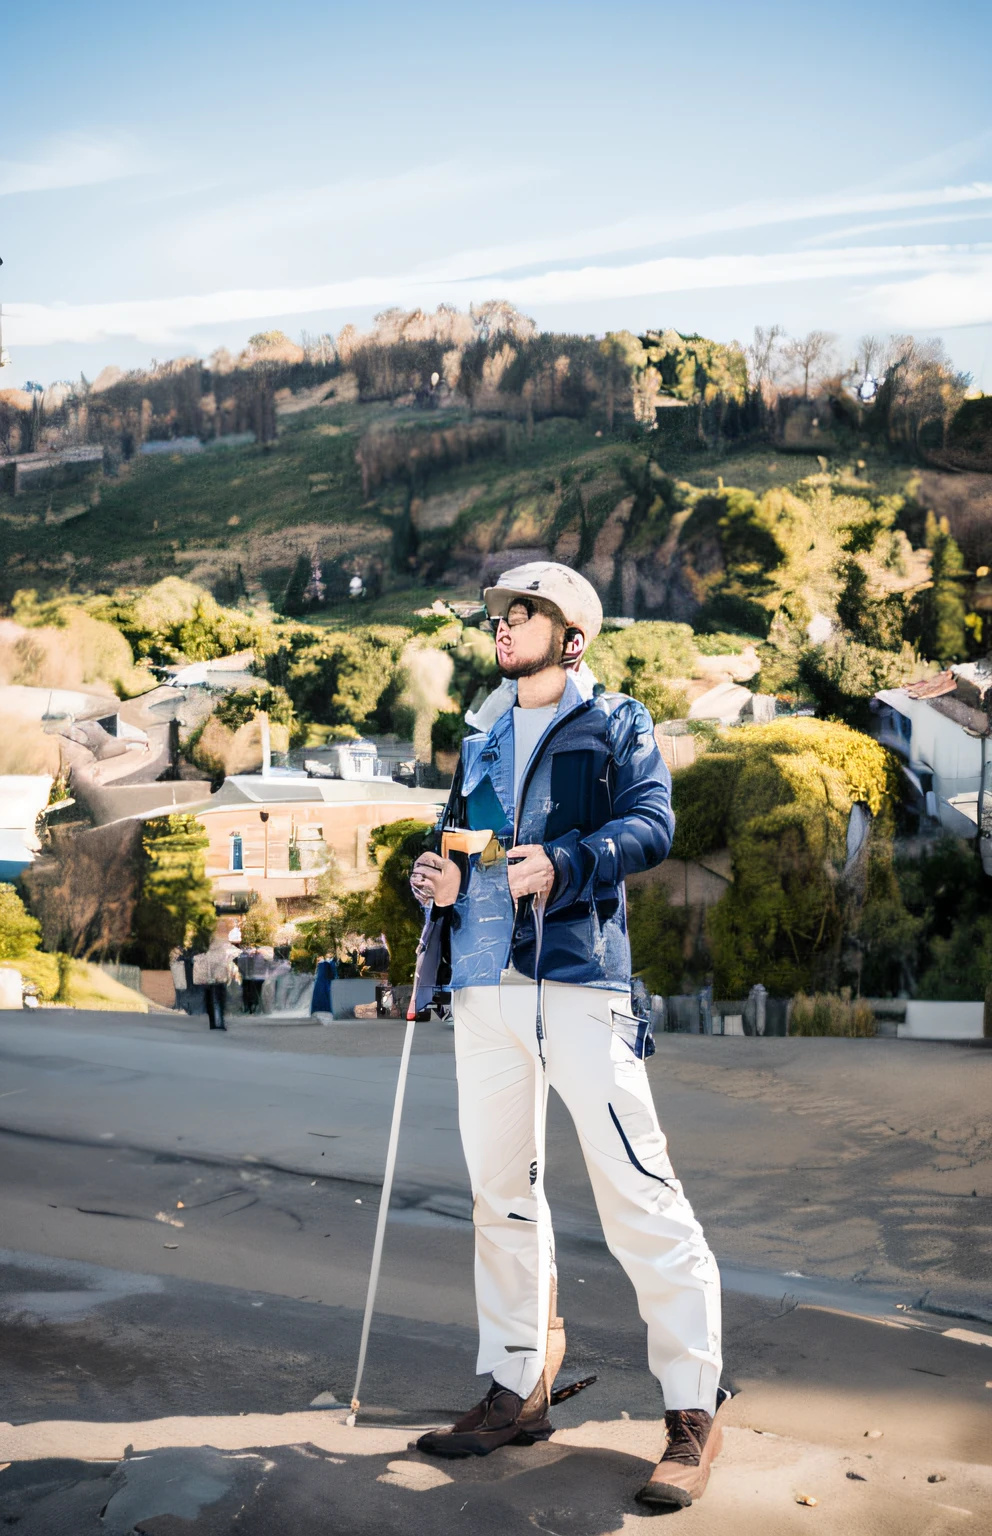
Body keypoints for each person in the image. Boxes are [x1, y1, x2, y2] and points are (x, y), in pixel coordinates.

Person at [409, 562, 726, 1510]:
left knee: (640, 1195)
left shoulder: (617, 722)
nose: (503, 626)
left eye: (525, 613)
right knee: (500, 1198)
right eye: (498, 615)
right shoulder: (479, 735)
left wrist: (573, 861)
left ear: (572, 635)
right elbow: (470, 844)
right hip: (481, 985)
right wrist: (438, 880)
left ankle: (692, 1406)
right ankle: (518, 1387)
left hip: (582, 982)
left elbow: (654, 826)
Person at [192, 932, 239, 1031]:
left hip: (209, 980)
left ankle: (213, 1023)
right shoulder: (222, 951)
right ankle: (220, 1023)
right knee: (220, 1001)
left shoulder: (208, 952)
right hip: (220, 980)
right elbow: (232, 957)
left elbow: (200, 961)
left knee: (211, 1001)